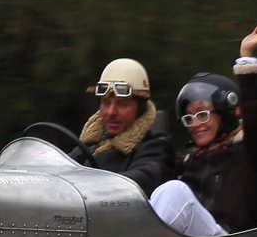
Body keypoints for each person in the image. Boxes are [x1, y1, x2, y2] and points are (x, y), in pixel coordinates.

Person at [150, 18, 257, 237]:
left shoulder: (252, 155)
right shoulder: (191, 163)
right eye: (189, 118)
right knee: (155, 193)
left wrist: (246, 59)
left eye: (203, 114)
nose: (195, 124)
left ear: (227, 112)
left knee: (174, 191)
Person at [71, 58, 177, 197]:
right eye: (106, 103)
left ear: (140, 108)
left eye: (123, 104)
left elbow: (137, 183)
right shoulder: (90, 145)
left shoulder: (157, 149)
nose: (111, 112)